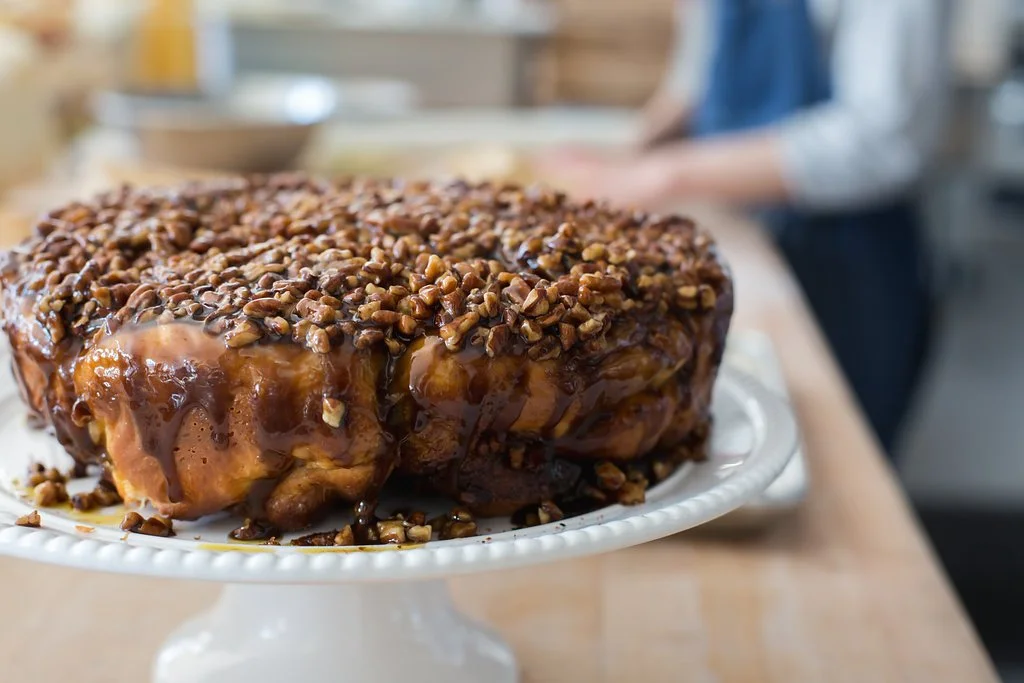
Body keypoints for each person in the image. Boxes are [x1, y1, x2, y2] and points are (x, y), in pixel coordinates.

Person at [540, 0, 950, 451]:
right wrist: (630, 153)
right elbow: (697, 79)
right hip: (737, 224)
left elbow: (881, 141)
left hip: (849, 256)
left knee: (836, 453)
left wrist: (664, 175)